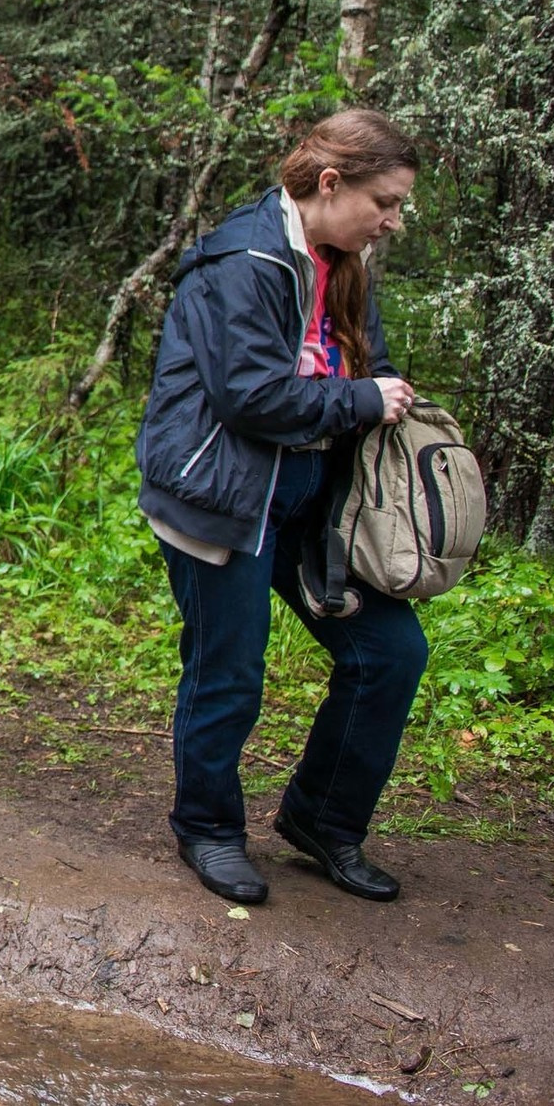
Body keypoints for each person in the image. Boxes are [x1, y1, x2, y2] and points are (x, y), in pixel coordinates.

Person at [138, 107, 425, 906]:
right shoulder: (245, 260)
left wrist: (378, 397)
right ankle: (207, 827)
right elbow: (251, 397)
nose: (393, 221)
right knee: (230, 672)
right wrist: (361, 399)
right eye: (385, 202)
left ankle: (322, 820)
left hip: (308, 505)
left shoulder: (347, 261)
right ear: (331, 183)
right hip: (220, 499)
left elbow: (372, 367)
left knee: (390, 654)